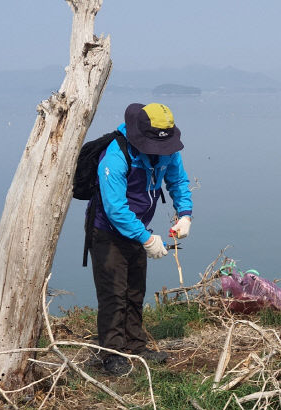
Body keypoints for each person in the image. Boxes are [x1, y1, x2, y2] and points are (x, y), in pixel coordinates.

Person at [89, 103, 193, 376]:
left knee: (135, 291)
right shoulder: (116, 155)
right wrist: (146, 238)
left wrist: (185, 214)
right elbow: (114, 207)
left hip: (138, 231)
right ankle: (111, 354)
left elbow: (178, 181)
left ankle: (135, 346)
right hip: (108, 233)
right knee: (113, 293)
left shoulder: (168, 150)